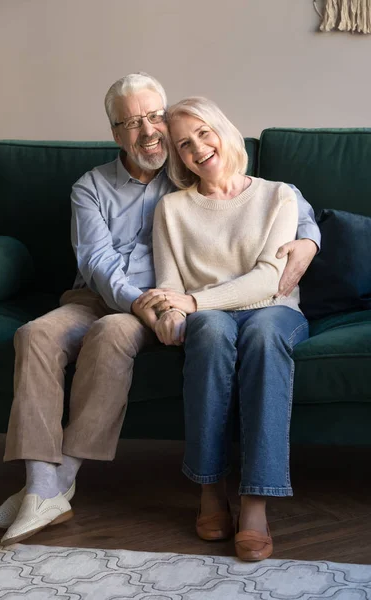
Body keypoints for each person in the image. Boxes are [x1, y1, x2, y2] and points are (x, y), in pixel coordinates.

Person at [0, 74, 319, 548]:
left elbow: (274, 201)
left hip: (165, 302)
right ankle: (44, 483)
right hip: (107, 295)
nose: (147, 132)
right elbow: (96, 261)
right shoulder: (93, 186)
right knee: (34, 335)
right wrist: (147, 304)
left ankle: (62, 481)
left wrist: (310, 239)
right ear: (115, 132)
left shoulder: (190, 165)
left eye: (153, 118)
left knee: (114, 335)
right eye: (130, 122)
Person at [136, 96, 310, 561]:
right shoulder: (171, 209)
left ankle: (255, 502)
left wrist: (192, 302)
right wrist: (170, 318)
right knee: (210, 333)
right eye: (183, 143)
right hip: (207, 315)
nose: (197, 148)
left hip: (272, 308)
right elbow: (169, 286)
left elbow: (269, 280)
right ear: (176, 155)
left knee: (264, 334)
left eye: (203, 133)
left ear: (223, 131)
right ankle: (210, 490)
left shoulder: (279, 195)